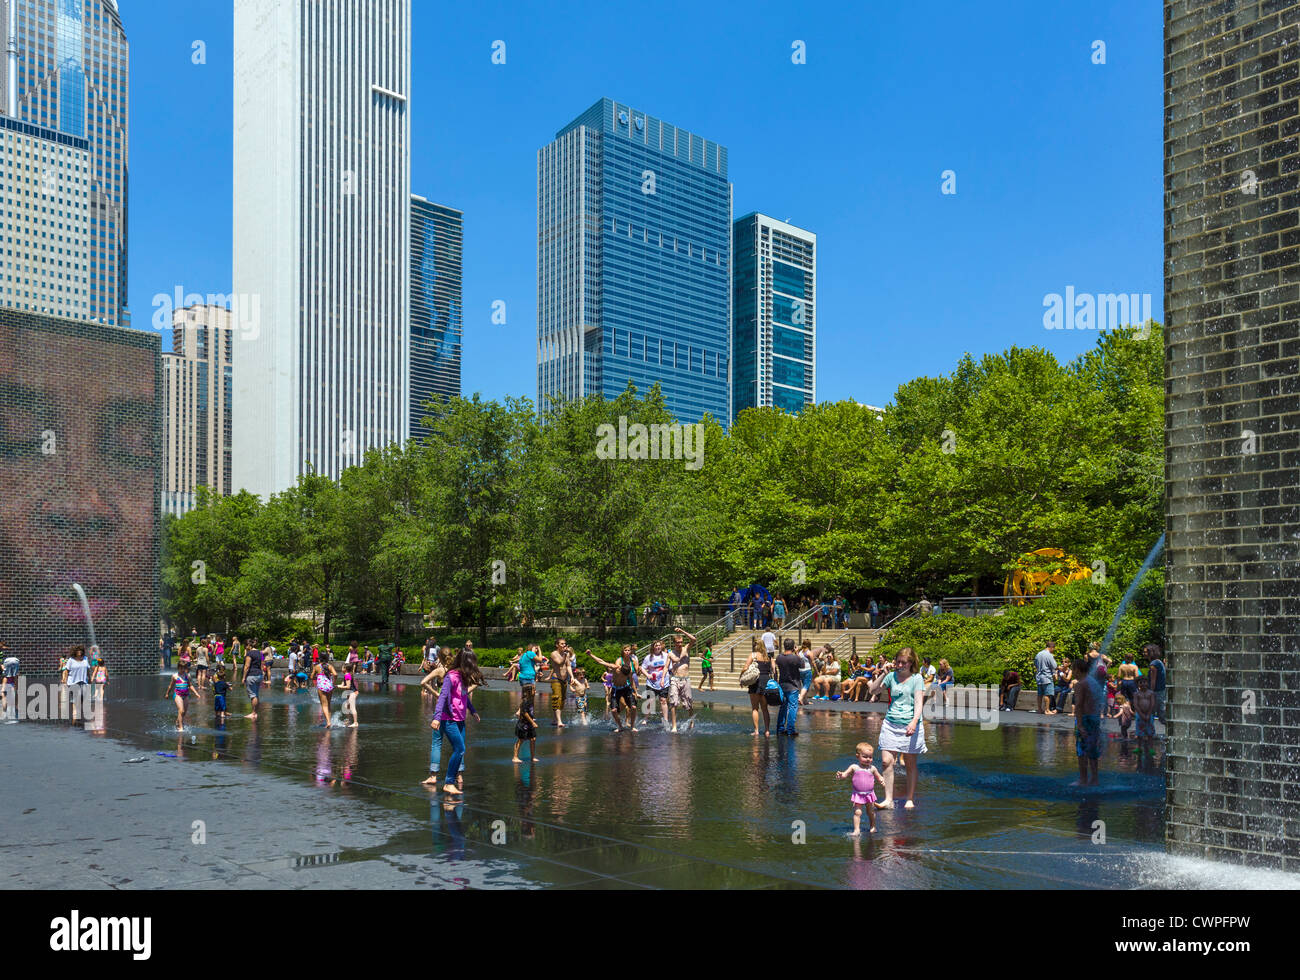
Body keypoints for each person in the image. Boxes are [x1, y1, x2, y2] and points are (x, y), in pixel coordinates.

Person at [866, 646, 927, 809]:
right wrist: (883, 673)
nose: (900, 665)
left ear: (911, 663)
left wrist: (914, 721)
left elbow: (919, 703)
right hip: (891, 723)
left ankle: (910, 798)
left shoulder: (917, 678)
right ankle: (888, 799)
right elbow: (872, 689)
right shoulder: (891, 676)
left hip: (910, 724)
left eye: (904, 663)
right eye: (898, 662)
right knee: (886, 761)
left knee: (909, 763)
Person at [426, 648, 484, 795]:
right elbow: (442, 697)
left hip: (460, 719)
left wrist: (472, 710)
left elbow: (464, 696)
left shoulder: (463, 677)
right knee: (460, 749)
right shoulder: (450, 676)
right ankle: (449, 783)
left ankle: (451, 781)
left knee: (460, 749)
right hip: (448, 719)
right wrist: (436, 717)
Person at [835, 743, 883, 835]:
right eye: (865, 757)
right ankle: (857, 829)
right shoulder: (854, 767)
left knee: (871, 812)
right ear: (858, 756)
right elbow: (845, 774)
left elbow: (879, 777)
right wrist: (841, 775)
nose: (868, 759)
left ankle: (873, 826)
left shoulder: (872, 768)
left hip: (869, 794)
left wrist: (882, 780)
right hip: (858, 794)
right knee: (857, 812)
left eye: (870, 757)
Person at [590, 646, 639, 733]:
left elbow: (631, 681)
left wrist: (635, 692)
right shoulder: (615, 668)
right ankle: (620, 726)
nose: (625, 676)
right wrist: (591, 655)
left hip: (626, 688)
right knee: (613, 710)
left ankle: (632, 726)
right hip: (616, 689)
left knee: (634, 707)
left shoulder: (629, 671)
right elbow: (601, 662)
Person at [1071, 657, 1103, 785]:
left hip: (1084, 719)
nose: (1072, 672)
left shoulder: (1080, 684)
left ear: (1078, 669)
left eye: (1073, 670)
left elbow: (1078, 705)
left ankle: (1083, 779)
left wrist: (1079, 725)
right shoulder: (1093, 682)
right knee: (1093, 749)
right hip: (1094, 719)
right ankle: (1094, 778)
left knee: (1082, 750)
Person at [740, 638, 772, 737]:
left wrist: (741, 676)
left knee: (755, 708)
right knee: (765, 709)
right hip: (766, 682)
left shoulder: (753, 655)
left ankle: (756, 731)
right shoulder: (768, 657)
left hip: (755, 682)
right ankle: (767, 731)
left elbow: (745, 667)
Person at [774, 638, 804, 736]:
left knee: (783, 707)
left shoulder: (779, 657)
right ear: (793, 646)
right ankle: (790, 729)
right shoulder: (795, 658)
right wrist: (797, 653)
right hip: (793, 686)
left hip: (782, 685)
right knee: (792, 707)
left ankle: (780, 728)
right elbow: (802, 665)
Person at [640, 640, 672, 729]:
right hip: (651, 683)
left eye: (659, 645)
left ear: (661, 646)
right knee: (650, 701)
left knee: (663, 700)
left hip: (664, 682)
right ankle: (646, 718)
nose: (658, 647)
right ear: (653, 647)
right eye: (656, 645)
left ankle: (665, 720)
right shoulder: (648, 658)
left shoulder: (666, 656)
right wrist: (648, 675)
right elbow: (642, 668)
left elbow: (670, 668)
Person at [1133, 675, 1158, 763]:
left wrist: (1148, 714)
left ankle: (1151, 748)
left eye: (1145, 682)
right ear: (1138, 684)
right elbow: (1135, 705)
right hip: (1140, 716)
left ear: (1147, 683)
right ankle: (1139, 747)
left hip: (1149, 714)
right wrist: (1141, 714)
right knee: (1139, 733)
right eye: (1141, 682)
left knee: (1150, 732)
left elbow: (1152, 703)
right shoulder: (1136, 694)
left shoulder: (1150, 693)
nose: (1143, 684)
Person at [513, 684, 539, 763]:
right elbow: (525, 713)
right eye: (534, 690)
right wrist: (533, 722)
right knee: (521, 740)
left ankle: (532, 757)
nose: (535, 691)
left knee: (533, 739)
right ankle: (515, 757)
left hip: (529, 724)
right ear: (528, 692)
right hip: (523, 724)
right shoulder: (525, 701)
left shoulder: (531, 699)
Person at [548, 640, 571, 728]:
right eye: (562, 643)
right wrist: (565, 654)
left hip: (564, 679)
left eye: (565, 643)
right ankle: (559, 721)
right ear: (557, 645)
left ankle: (555, 719)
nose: (564, 645)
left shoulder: (566, 654)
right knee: (557, 698)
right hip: (556, 678)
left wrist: (572, 677)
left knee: (562, 700)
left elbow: (568, 665)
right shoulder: (554, 654)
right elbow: (559, 662)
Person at [311, 653, 338, 727]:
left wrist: (316, 678)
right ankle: (329, 721)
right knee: (328, 704)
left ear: (319, 659)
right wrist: (333, 682)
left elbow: (311, 676)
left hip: (321, 686)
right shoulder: (330, 666)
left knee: (324, 705)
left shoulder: (317, 667)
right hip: (329, 685)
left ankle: (328, 722)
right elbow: (335, 674)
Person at [165, 661, 192, 732]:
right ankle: (181, 727)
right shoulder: (175, 676)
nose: (183, 670)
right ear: (178, 668)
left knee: (184, 712)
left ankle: (177, 721)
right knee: (181, 710)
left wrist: (196, 693)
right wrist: (167, 693)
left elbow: (190, 685)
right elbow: (171, 686)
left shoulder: (187, 676)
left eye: (184, 668)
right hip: (177, 695)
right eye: (181, 668)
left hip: (186, 695)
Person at [241, 640, 265, 720]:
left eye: (245, 646)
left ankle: (253, 713)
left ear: (248, 645)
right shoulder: (260, 653)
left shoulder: (250, 654)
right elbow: (262, 663)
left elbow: (247, 666)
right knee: (256, 694)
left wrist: (243, 677)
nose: (245, 648)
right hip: (259, 675)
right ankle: (255, 713)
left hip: (251, 675)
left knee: (252, 695)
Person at [1034, 641, 1059, 715]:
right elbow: (1054, 666)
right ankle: (1047, 710)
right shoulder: (1049, 655)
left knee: (1040, 694)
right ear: (1051, 647)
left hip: (1039, 677)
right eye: (1053, 648)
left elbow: (1035, 664)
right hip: (1047, 677)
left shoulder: (1038, 654)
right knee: (1047, 694)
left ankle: (1039, 709)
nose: (1053, 650)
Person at [1146, 644, 1167, 723]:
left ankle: (1149, 732)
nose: (1143, 654)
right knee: (1161, 713)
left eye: (1145, 652)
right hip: (1161, 691)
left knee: (1152, 713)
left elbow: (1153, 680)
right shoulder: (1159, 662)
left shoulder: (1153, 665)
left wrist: (1150, 692)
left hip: (1156, 692)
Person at [1, 643, 18, 722]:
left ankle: (5, 714)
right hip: (15, 660)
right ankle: (13, 714)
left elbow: (5, 677)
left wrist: (3, 688)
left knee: (5, 696)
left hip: (8, 661)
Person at [796, 639, 816, 706]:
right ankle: (801, 698)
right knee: (806, 686)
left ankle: (805, 701)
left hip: (800, 670)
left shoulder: (800, 652)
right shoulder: (809, 652)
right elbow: (813, 663)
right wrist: (816, 671)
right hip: (807, 670)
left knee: (803, 685)